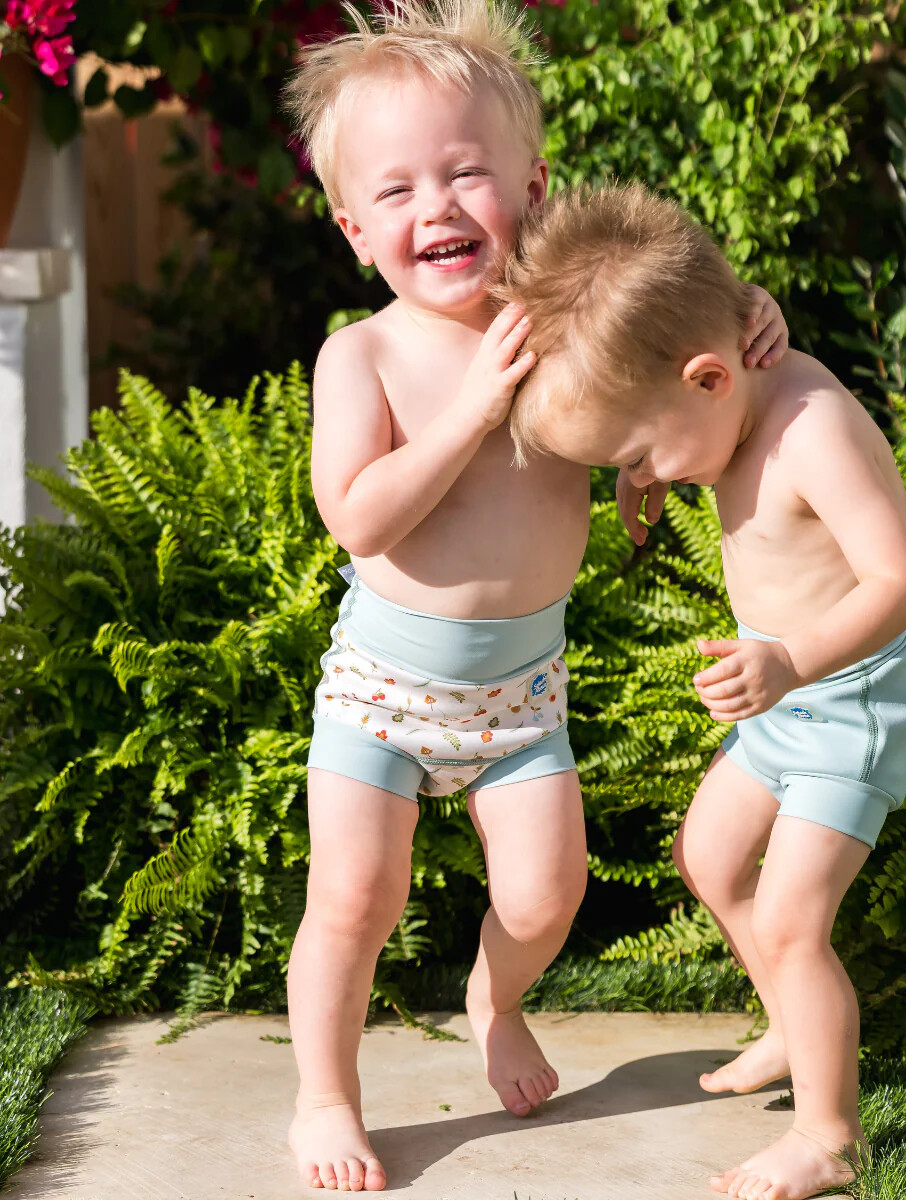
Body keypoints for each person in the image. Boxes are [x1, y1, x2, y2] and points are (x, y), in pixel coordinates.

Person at [282, 4, 789, 1190]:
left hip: (519, 694)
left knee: (547, 897)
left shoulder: (560, 327)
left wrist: (750, 312)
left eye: (466, 173)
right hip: (380, 694)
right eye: (397, 190)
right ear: (354, 229)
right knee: (353, 898)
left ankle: (492, 998)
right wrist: (468, 413)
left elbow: (671, 330)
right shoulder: (363, 357)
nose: (437, 207)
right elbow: (357, 516)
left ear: (534, 186)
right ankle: (326, 1097)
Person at [503, 182, 906, 1200]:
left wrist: (790, 661)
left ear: (708, 376)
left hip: (848, 710)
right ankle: (790, 1024)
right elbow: (696, 340)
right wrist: (642, 470)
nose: (642, 474)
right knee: (708, 856)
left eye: (637, 454)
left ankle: (828, 1136)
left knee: (789, 921)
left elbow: (898, 582)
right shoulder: (726, 393)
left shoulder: (810, 430)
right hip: (787, 705)